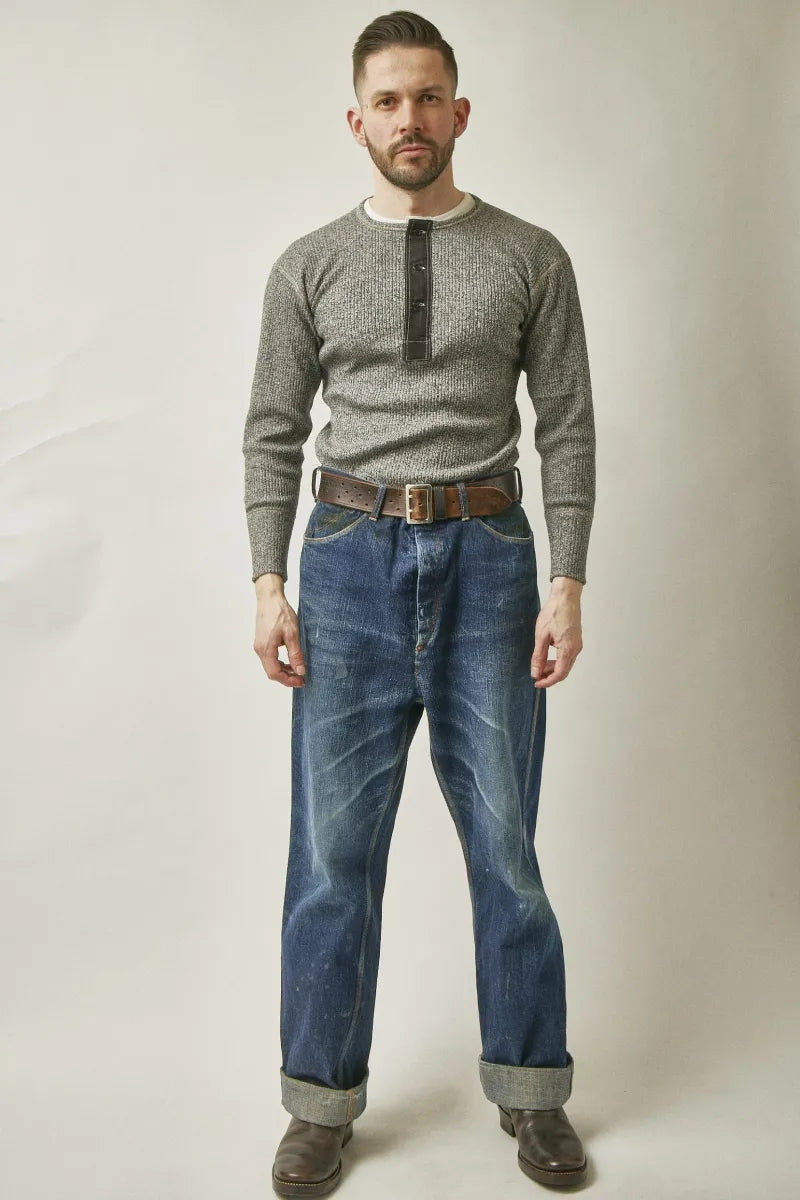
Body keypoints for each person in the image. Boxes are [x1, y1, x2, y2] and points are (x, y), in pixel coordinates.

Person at [242, 10, 596, 1194]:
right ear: (357, 120)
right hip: (345, 563)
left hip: (489, 557)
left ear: (459, 111)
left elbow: (565, 427)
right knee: (331, 854)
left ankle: (531, 1091)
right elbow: (271, 432)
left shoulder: (530, 255)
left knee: (505, 844)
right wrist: (267, 581)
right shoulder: (306, 266)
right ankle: (319, 1103)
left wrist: (564, 580)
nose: (410, 118)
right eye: (388, 101)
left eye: (428, 96)